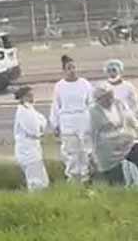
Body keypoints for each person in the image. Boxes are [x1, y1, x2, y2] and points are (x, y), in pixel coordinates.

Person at [89, 82, 138, 186]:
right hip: (107, 149)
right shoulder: (92, 112)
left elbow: (130, 118)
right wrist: (91, 153)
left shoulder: (119, 103)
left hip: (125, 142)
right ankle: (119, 187)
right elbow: (90, 134)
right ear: (99, 99)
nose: (110, 100)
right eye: (106, 98)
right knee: (116, 176)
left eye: (111, 96)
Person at [49, 55, 94, 183]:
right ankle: (72, 177)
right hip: (67, 121)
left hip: (83, 119)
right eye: (69, 68)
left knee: (85, 150)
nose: (72, 70)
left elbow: (91, 103)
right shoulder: (59, 86)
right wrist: (55, 124)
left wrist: (93, 120)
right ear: (64, 70)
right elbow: (56, 106)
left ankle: (86, 177)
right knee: (71, 151)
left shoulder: (84, 83)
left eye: (74, 67)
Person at [12, 85, 50, 191]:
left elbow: (43, 120)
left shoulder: (30, 109)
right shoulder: (23, 111)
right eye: (29, 95)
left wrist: (40, 127)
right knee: (36, 181)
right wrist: (40, 129)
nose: (32, 97)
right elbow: (34, 130)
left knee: (42, 179)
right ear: (23, 97)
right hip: (27, 151)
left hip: (33, 148)